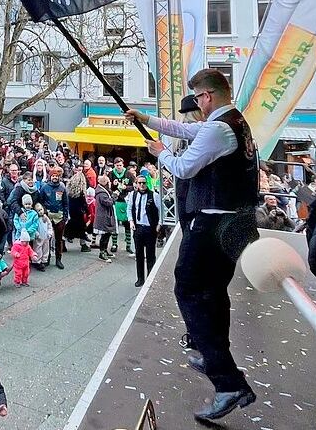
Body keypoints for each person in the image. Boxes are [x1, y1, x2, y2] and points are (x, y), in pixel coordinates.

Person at [126, 68, 260, 422]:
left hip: (215, 223)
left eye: (198, 98)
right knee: (214, 292)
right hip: (236, 223)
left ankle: (226, 380)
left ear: (207, 96)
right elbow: (185, 129)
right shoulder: (233, 122)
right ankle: (210, 350)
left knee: (187, 288)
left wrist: (159, 152)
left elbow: (184, 168)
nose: (198, 105)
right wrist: (147, 118)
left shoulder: (218, 128)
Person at [127, 174, 161, 288]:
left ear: (147, 183)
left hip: (150, 228)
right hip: (138, 228)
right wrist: (131, 221)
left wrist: (159, 224)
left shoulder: (154, 195)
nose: (142, 185)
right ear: (136, 183)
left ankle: (150, 279)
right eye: (139, 183)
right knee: (139, 254)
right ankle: (140, 279)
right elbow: (129, 208)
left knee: (151, 255)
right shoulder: (133, 195)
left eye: (144, 183)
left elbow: (162, 210)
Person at [92, 175, 117, 263]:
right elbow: (109, 203)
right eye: (108, 182)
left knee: (107, 234)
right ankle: (102, 252)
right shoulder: (102, 193)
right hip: (104, 217)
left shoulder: (101, 191)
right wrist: (114, 196)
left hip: (105, 216)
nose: (109, 183)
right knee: (105, 235)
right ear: (105, 183)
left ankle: (105, 250)